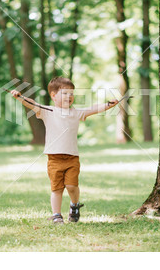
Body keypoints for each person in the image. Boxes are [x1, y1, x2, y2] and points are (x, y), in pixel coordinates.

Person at [11, 77, 119, 224]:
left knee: (72, 186)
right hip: (54, 159)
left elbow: (92, 109)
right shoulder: (48, 111)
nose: (69, 97)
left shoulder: (76, 113)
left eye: (71, 94)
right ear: (54, 96)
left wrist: (108, 105)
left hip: (72, 159)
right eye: (65, 93)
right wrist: (20, 97)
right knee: (57, 189)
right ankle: (56, 215)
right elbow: (33, 104)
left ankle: (74, 205)